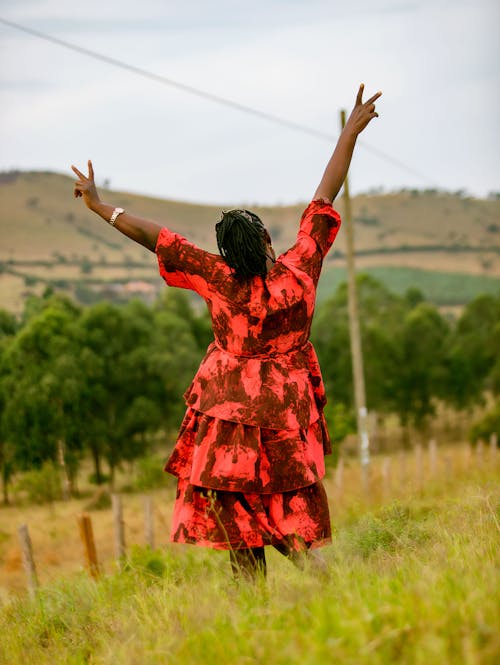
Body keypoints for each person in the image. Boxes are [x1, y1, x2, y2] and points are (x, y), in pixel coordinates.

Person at [72, 83, 381, 579]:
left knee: (238, 527)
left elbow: (158, 239)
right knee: (286, 519)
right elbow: (325, 195)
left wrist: (101, 206)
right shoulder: (301, 270)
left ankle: (253, 624)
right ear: (264, 239)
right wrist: (348, 132)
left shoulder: (217, 279)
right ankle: (326, 592)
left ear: (226, 253)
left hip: (226, 426)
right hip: (284, 418)